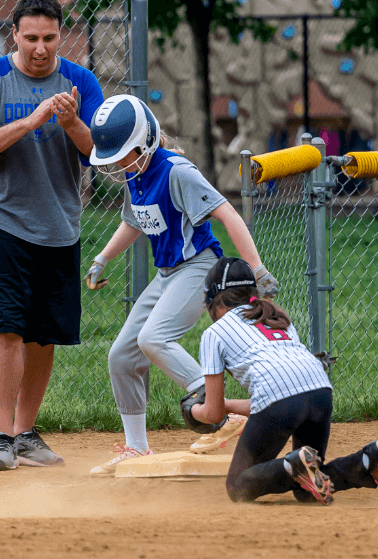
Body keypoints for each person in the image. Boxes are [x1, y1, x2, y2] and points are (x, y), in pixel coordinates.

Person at [83, 94, 280, 476]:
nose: (118, 163)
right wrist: (102, 258)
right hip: (168, 272)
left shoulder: (177, 171)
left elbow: (226, 212)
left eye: (125, 153)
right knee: (122, 356)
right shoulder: (134, 172)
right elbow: (134, 221)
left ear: (148, 141)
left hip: (199, 266)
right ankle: (136, 449)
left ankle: (221, 415)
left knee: (152, 339)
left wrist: (257, 268)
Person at [0, 0, 105, 471]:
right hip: (0, 219)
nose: (40, 48)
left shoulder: (80, 81)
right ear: (15, 36)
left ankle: (26, 433)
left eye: (49, 38)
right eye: (30, 38)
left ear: (61, 35)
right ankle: (1, 438)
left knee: (43, 336)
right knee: (7, 330)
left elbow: (97, 154)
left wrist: (71, 123)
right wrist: (31, 119)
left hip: (59, 226)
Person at [187, 256, 378, 505]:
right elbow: (269, 400)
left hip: (280, 400)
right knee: (308, 485)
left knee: (238, 486)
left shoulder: (214, 333)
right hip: (320, 391)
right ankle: (370, 460)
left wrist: (192, 410)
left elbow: (213, 414)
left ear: (212, 300)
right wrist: (229, 404)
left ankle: (292, 465)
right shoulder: (275, 316)